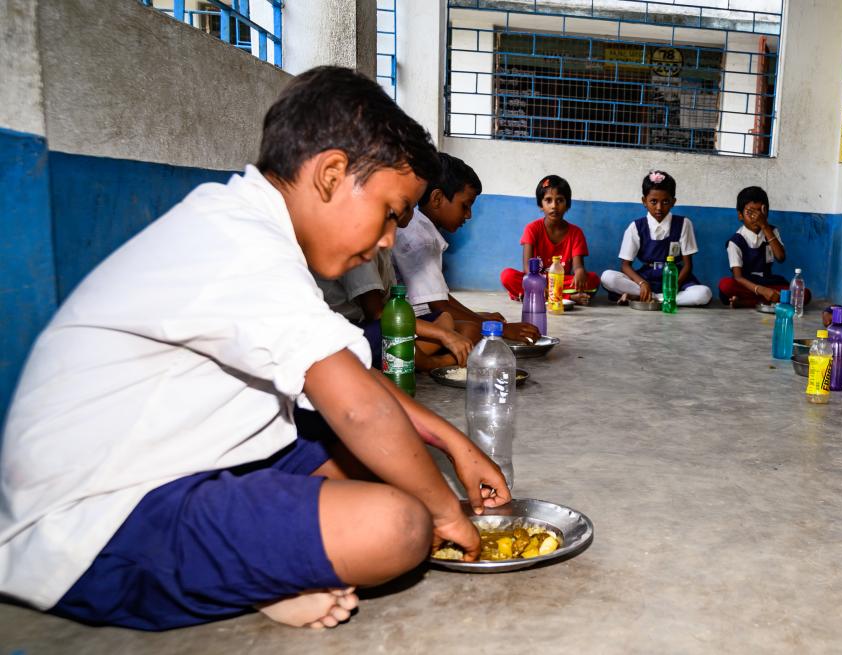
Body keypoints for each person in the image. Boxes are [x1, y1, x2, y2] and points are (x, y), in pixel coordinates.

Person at [0, 67, 512, 632]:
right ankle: (262, 578)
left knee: (381, 466)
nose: (391, 237)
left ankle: (265, 557)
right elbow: (359, 408)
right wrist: (446, 512)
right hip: (92, 519)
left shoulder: (247, 226)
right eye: (391, 212)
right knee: (401, 527)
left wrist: (452, 442)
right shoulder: (239, 244)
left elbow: (358, 383)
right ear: (331, 174)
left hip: (181, 459)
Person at [393, 153, 541, 344]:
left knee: (471, 323)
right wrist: (500, 329)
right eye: (465, 206)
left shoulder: (419, 229)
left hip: (416, 315)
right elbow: (439, 306)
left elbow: (439, 296)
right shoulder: (422, 240)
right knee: (471, 331)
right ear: (437, 198)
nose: (469, 215)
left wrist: (479, 317)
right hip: (407, 324)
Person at [316, 251, 474, 370]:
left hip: (380, 323)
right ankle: (430, 362)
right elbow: (377, 314)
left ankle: (415, 357)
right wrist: (444, 335)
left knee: (446, 318)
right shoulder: (359, 247)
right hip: (348, 331)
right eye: (406, 209)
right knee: (392, 333)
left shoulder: (384, 246)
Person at [599, 170, 713, 306]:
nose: (659, 207)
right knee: (607, 277)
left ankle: (653, 299)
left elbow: (688, 265)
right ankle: (654, 296)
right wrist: (642, 283)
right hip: (646, 277)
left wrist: (672, 287)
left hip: (675, 278)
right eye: (653, 201)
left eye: (665, 202)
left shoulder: (684, 224)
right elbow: (625, 266)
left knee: (703, 294)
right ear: (644, 201)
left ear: (673, 202)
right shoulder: (636, 227)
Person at [498, 175, 600, 304]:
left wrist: (580, 272)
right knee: (507, 276)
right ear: (541, 205)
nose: (554, 206)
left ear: (567, 205)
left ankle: (535, 295)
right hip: (536, 279)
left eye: (560, 200)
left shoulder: (576, 233)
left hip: (560, 280)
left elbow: (578, 265)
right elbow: (527, 268)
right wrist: (538, 285)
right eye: (548, 200)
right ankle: (567, 298)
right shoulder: (532, 228)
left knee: (593, 279)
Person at [716, 186, 811, 308]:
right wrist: (762, 291)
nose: (756, 217)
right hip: (746, 285)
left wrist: (765, 227)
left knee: (804, 294)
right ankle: (767, 301)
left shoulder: (771, 231)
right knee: (726, 286)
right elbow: (738, 277)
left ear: (766, 213)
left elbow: (780, 257)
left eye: (760, 212)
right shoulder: (735, 241)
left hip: (768, 282)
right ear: (740, 215)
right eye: (750, 212)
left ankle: (747, 303)